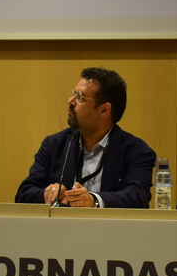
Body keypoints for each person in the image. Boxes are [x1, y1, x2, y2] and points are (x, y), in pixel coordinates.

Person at [15, 67, 156, 208]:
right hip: (60, 228)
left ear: (104, 109)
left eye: (80, 97)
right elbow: (23, 193)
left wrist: (94, 200)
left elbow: (138, 196)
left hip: (111, 229)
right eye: (73, 94)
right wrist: (46, 193)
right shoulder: (54, 144)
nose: (70, 101)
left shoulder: (136, 151)